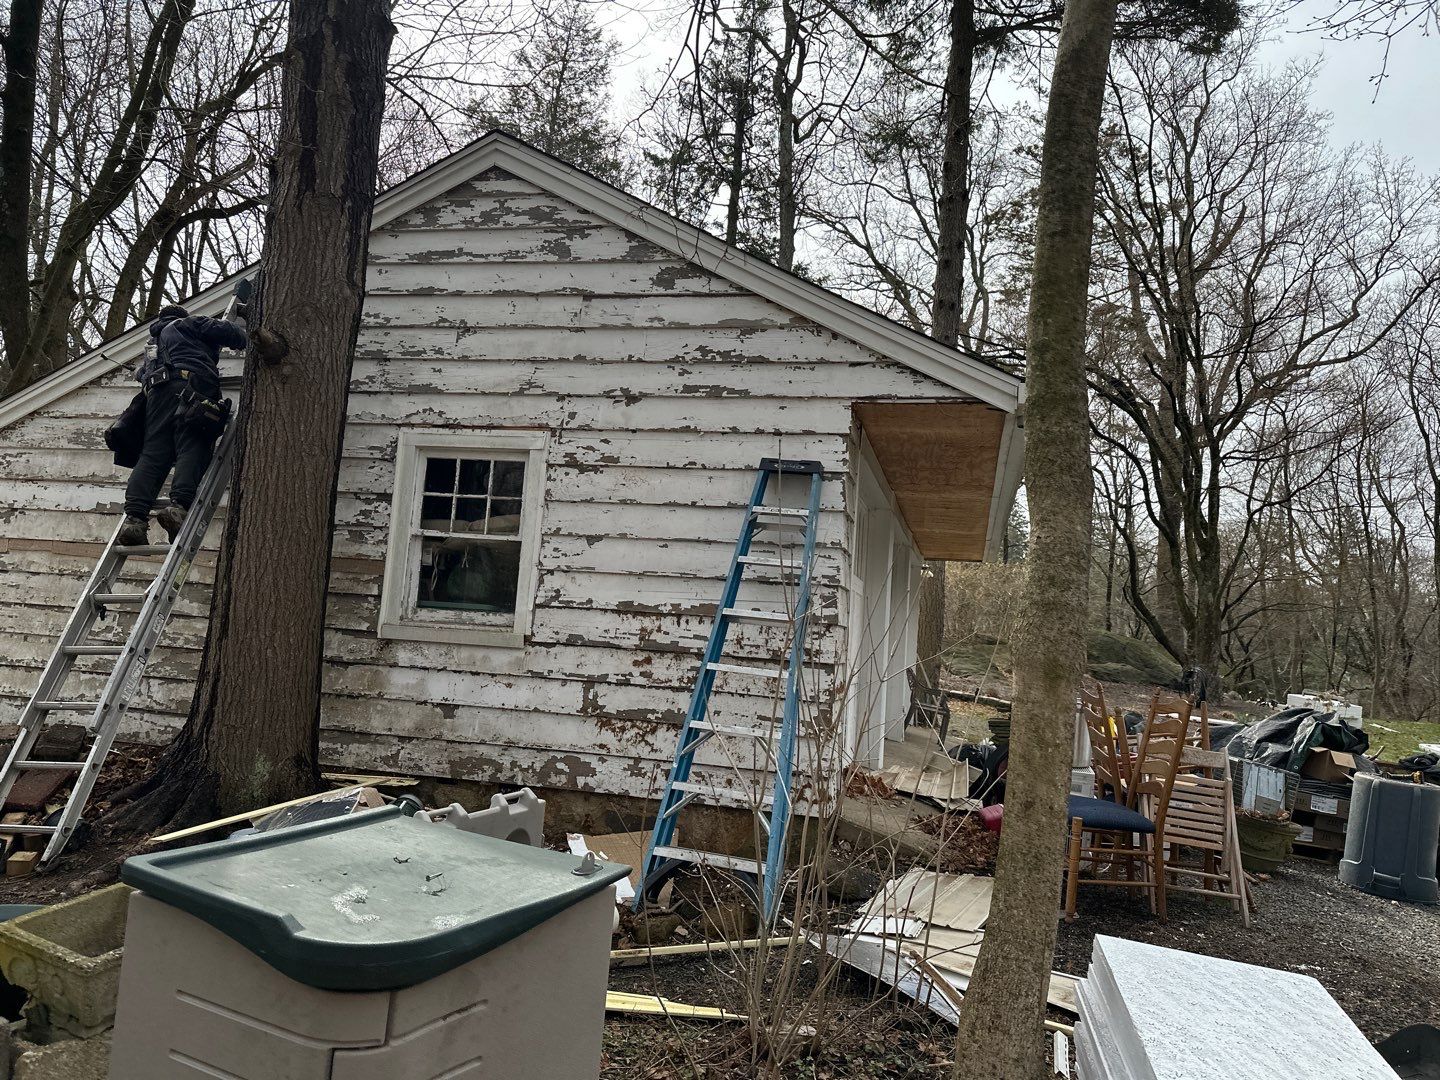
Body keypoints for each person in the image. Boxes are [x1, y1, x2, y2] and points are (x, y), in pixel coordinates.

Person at [116, 305, 246, 547]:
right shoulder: (185, 324)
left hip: (157, 396)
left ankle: (134, 520)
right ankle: (178, 507)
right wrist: (247, 338)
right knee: (193, 443)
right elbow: (227, 331)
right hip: (192, 386)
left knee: (153, 454)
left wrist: (141, 374)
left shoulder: (153, 346)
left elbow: (143, 374)